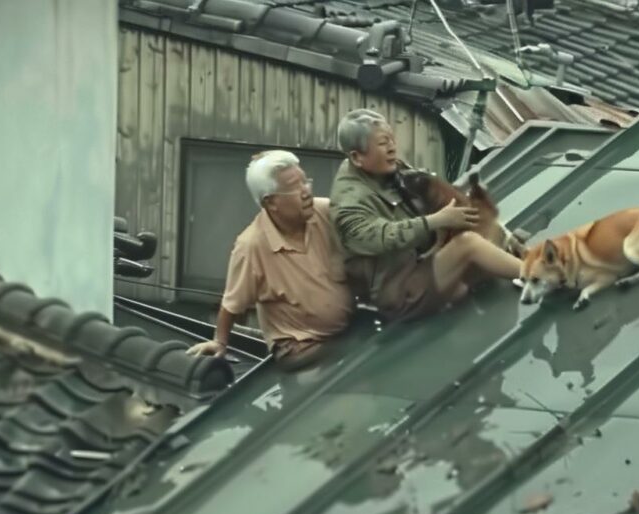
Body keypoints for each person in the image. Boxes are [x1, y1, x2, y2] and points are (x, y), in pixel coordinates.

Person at [329, 111, 522, 321]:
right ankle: (538, 275)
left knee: (482, 233)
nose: (393, 148)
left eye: (392, 139)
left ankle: (516, 254)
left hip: (421, 264)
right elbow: (380, 237)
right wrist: (436, 220)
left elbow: (442, 198)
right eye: (383, 143)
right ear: (357, 157)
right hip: (399, 291)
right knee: (469, 244)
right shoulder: (349, 201)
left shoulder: (384, 170)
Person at [186, 150, 355, 368]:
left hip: (345, 331)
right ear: (271, 202)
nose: (306, 192)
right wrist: (220, 341)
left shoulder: (324, 212)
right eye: (295, 187)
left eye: (306, 182)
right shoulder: (251, 245)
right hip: (300, 347)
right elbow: (232, 303)